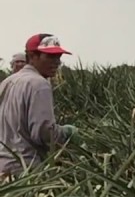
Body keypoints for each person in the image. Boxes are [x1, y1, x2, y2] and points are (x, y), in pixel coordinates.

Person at [0, 34, 77, 179]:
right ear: (32, 56)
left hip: (3, 166)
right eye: (50, 56)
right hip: (25, 169)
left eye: (58, 57)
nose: (57, 62)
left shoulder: (7, 82)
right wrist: (66, 133)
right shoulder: (40, 84)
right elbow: (43, 133)